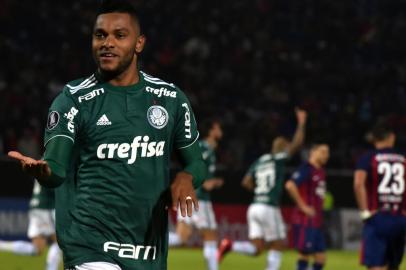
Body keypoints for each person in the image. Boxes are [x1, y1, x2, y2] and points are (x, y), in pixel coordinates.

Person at [8, 1, 207, 269]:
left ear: (139, 43)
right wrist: (44, 172)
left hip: (147, 251)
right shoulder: (73, 100)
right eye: (100, 35)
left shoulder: (171, 99)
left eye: (119, 35)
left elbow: (196, 162)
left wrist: (187, 176)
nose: (107, 43)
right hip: (89, 247)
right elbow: (55, 168)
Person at [217, 108, 307, 270]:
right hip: (268, 207)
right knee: (278, 244)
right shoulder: (277, 159)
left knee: (257, 248)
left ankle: (230, 245)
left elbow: (245, 182)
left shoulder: (260, 160)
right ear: (283, 148)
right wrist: (301, 124)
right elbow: (297, 144)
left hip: (255, 206)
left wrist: (260, 191)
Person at [169, 119, 224, 270]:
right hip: (199, 198)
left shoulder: (199, 146)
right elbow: (195, 169)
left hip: (186, 195)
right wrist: (208, 183)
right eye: (218, 127)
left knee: (181, 237)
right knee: (211, 237)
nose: (221, 131)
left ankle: (148, 240)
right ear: (212, 131)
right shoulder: (205, 148)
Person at [354, 122, 406, 270]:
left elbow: (358, 183)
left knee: (376, 266)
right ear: (391, 137)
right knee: (393, 265)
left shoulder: (368, 157)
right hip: (400, 218)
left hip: (377, 217)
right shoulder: (403, 158)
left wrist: (364, 212)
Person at [285, 143, 330, 270]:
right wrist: (303, 206)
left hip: (316, 221)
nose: (327, 155)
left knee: (321, 258)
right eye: (323, 152)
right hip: (305, 220)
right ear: (313, 152)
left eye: (327, 152)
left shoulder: (320, 171)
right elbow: (290, 185)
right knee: (304, 255)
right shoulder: (306, 168)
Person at [0, 180, 61, 270]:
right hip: (46, 206)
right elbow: (55, 186)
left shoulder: (41, 166)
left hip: (36, 206)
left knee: (37, 249)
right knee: (59, 242)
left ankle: (1, 245)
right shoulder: (52, 166)